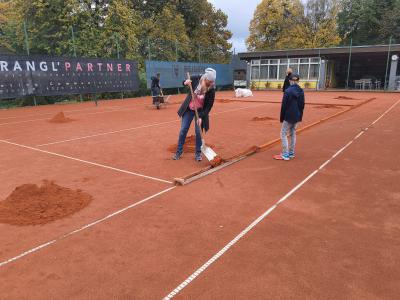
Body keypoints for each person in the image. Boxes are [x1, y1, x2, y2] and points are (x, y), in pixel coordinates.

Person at [173, 68, 216, 162]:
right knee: (183, 129)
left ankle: (198, 153)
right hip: (189, 109)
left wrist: (201, 117)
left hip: (200, 112)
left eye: (212, 82)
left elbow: (208, 107)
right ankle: (178, 152)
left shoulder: (212, 90)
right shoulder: (196, 78)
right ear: (205, 78)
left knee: (198, 132)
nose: (210, 83)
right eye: (209, 81)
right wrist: (185, 82)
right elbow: (183, 82)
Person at [274, 73, 305, 161]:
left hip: (288, 116)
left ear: (290, 81)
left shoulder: (288, 91)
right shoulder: (301, 91)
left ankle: (285, 154)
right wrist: (300, 116)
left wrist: (282, 117)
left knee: (283, 133)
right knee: (292, 133)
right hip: (297, 115)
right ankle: (291, 152)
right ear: (298, 81)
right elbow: (302, 105)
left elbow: (284, 106)